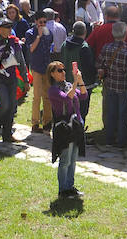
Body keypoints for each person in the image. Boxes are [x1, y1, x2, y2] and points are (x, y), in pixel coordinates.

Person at [0, 18, 29, 142]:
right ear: (0, 29)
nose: (9, 30)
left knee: (12, 106)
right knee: (5, 105)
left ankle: (7, 135)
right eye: (7, 27)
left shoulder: (14, 42)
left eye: (10, 27)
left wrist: (26, 80)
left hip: (12, 78)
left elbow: (21, 61)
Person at [47, 60, 87, 199]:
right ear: (52, 74)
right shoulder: (53, 90)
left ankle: (70, 187)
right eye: (59, 70)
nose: (63, 72)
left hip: (75, 126)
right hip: (64, 128)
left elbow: (83, 95)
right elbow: (67, 98)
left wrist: (80, 80)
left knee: (73, 159)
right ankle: (63, 190)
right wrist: (75, 81)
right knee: (65, 160)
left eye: (63, 69)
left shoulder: (67, 85)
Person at [96, 22, 127, 148]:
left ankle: (109, 138)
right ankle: (122, 140)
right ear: (125, 34)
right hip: (124, 86)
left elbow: (98, 64)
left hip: (109, 84)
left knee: (111, 112)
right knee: (123, 114)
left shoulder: (106, 48)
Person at [59, 21, 97, 122]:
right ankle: (78, 133)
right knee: (81, 112)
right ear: (85, 32)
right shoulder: (84, 47)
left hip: (67, 84)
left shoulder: (64, 44)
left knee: (69, 110)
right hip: (81, 85)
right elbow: (88, 68)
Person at [25, 11, 54, 133]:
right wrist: (39, 36)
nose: (42, 24)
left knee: (47, 97)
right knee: (37, 97)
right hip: (36, 68)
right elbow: (31, 48)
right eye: (40, 22)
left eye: (44, 22)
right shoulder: (30, 33)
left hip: (46, 68)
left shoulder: (49, 33)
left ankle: (47, 123)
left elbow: (50, 47)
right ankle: (35, 123)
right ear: (36, 22)